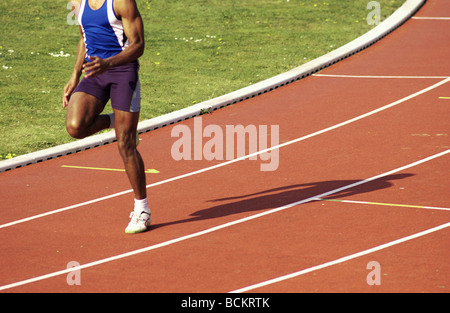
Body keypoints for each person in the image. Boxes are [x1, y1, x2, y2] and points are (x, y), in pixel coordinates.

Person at [62, 0, 151, 234]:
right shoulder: (77, 3)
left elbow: (139, 44)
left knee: (126, 144)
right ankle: (116, 122)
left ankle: (142, 209)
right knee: (75, 127)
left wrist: (108, 63)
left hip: (123, 71)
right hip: (94, 71)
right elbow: (84, 37)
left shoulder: (121, 2)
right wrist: (74, 76)